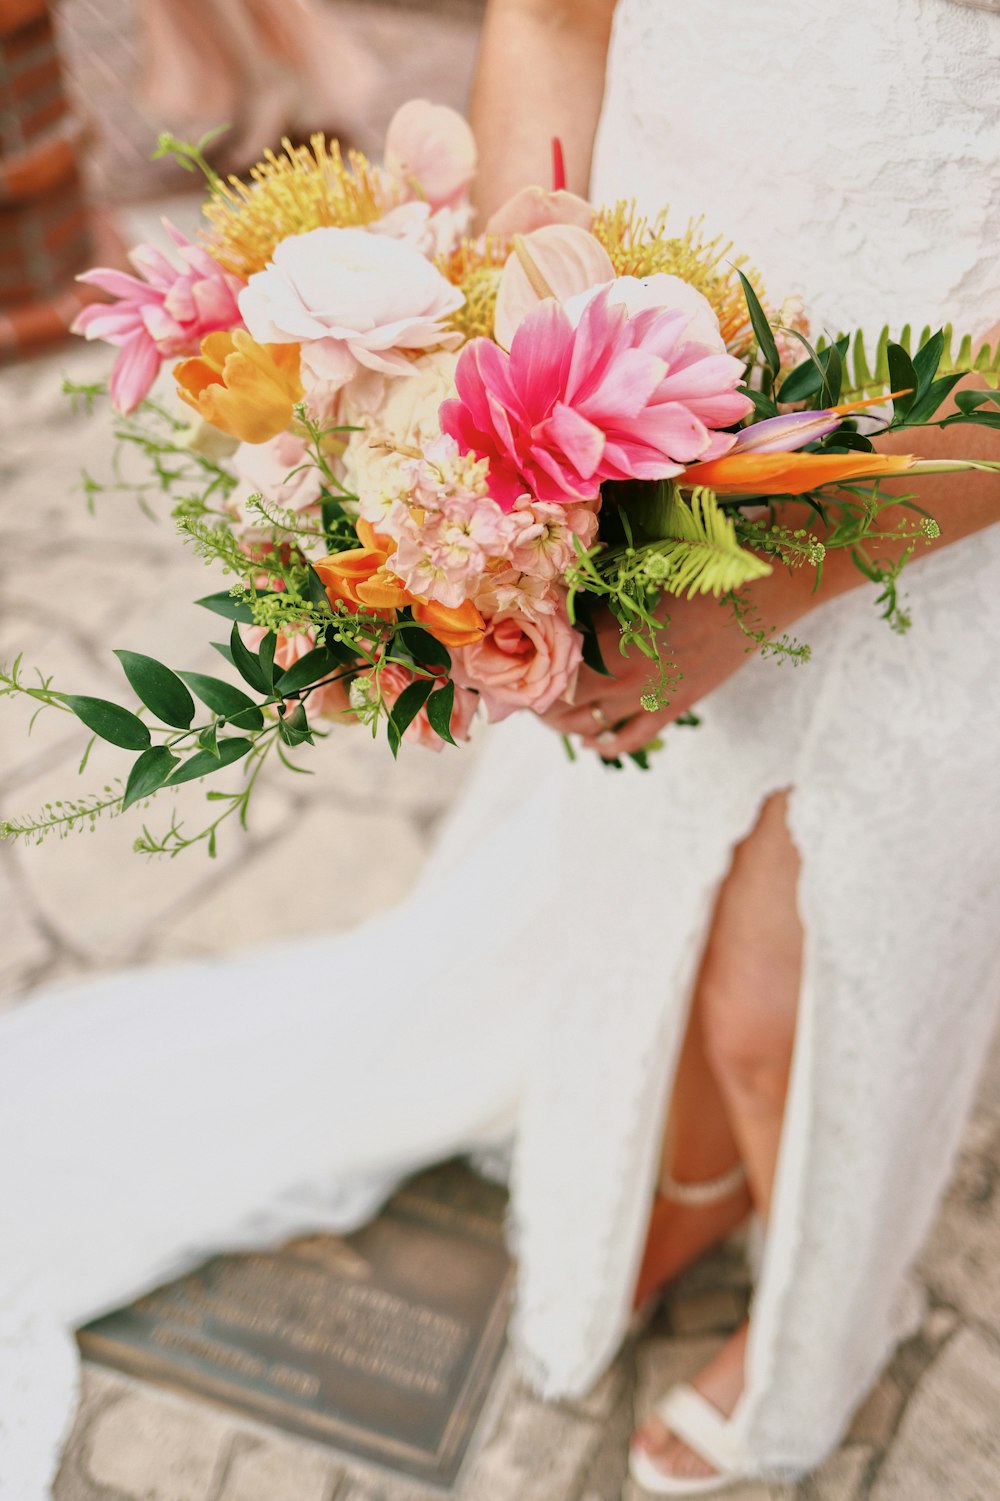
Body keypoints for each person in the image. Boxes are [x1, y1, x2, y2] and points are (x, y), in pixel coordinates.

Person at [1, 1, 999, 1496]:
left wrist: (767, 581)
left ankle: (822, 1322)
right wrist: (479, 382)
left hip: (939, 447)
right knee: (644, 861)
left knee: (792, 994)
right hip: (643, 362)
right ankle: (700, 1171)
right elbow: (551, 16)